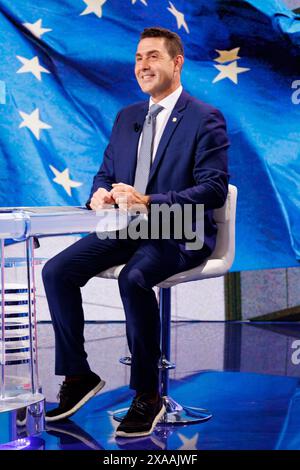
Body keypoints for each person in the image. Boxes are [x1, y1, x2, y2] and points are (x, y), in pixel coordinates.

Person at [42, 26, 229, 438]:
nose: (143, 65)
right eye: (139, 58)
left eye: (153, 57)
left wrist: (148, 201)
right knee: (56, 271)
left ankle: (148, 394)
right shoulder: (127, 116)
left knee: (135, 276)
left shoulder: (204, 118)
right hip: (129, 229)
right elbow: (105, 173)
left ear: (177, 63)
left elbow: (214, 189)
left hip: (182, 231)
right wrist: (100, 195)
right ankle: (78, 376)